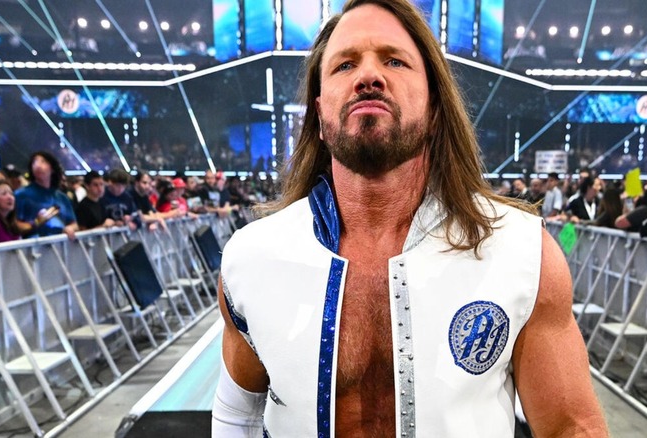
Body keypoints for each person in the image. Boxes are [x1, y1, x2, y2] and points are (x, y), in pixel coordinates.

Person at [213, 1, 608, 437]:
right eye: (344, 65)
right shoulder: (251, 258)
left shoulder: (522, 252)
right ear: (320, 117)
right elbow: (236, 415)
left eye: (394, 60)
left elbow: (571, 427)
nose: (368, 76)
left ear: (435, 108)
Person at [15, 151, 76, 239]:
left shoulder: (62, 197)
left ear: (53, 169)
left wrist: (70, 228)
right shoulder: (21, 195)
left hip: (60, 247)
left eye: (43, 162)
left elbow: (73, 223)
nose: (38, 165)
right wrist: (35, 223)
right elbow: (13, 225)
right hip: (33, 248)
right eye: (34, 162)